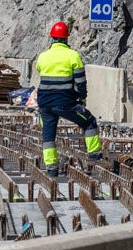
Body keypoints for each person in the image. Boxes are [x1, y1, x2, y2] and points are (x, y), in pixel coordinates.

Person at [34, 20, 103, 177]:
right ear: (66, 38)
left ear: (52, 38)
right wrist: (82, 98)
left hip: (45, 104)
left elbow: (40, 71)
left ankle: (51, 168)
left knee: (48, 135)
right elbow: (80, 81)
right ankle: (95, 155)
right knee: (89, 121)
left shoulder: (43, 57)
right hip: (65, 103)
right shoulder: (73, 56)